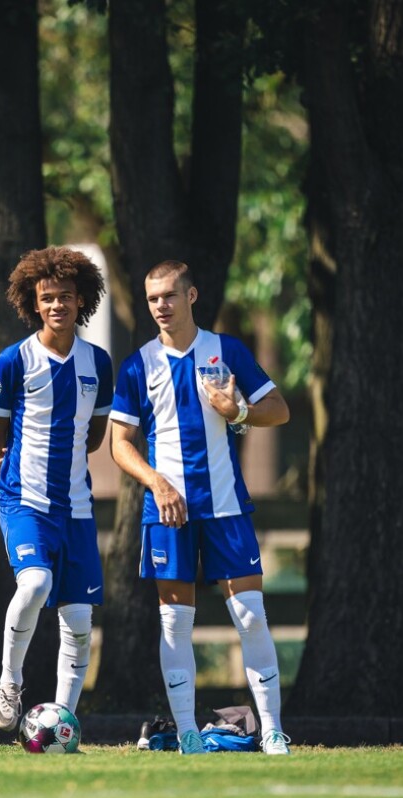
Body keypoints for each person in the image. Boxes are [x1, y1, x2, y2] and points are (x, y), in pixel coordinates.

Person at [108, 260, 293, 755]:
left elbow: (280, 409)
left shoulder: (225, 351)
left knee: (250, 615)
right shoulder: (137, 365)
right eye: (152, 299)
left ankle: (273, 730)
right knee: (175, 622)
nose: (160, 307)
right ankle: (188, 732)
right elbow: (119, 443)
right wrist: (156, 484)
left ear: (191, 296)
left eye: (169, 295)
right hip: (169, 512)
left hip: (227, 505)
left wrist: (241, 414)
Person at [0, 247, 113, 731]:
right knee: (35, 584)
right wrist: (0, 464)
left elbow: (96, 434)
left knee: (79, 622)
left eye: (65, 297)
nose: (57, 305)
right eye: (47, 298)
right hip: (25, 501)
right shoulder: (14, 360)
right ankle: (9, 683)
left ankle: (61, 723)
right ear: (33, 304)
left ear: (81, 301)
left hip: (77, 508)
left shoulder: (98, 363)